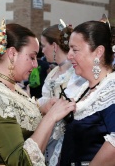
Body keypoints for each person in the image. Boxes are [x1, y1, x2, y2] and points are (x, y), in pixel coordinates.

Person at [0, 20, 75, 166]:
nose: (36, 64)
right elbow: (20, 161)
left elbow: (17, 115)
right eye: (32, 57)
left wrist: (42, 109)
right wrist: (50, 117)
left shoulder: (9, 87)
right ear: (12, 53)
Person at [59, 20, 115, 166]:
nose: (69, 55)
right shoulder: (84, 89)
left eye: (75, 49)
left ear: (98, 52)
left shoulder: (112, 90)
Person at [37, 22, 75, 166]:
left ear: (54, 46)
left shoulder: (74, 72)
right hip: (48, 131)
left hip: (65, 134)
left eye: (43, 45)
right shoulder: (53, 72)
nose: (42, 50)